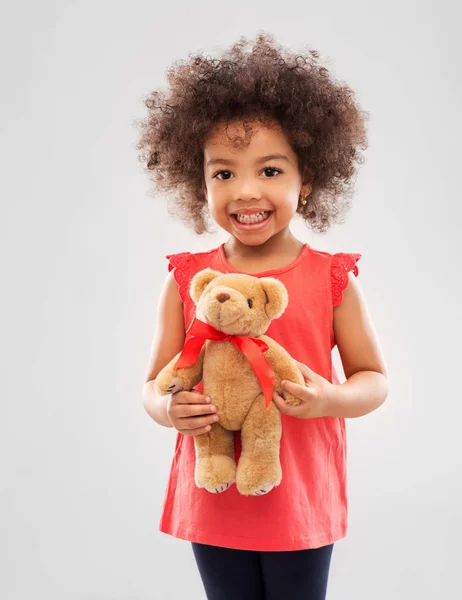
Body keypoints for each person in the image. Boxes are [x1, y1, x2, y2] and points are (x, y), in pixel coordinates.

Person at [137, 32, 389, 600]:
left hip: (298, 492)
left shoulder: (331, 279)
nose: (246, 190)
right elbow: (155, 382)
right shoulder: (188, 280)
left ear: (309, 180)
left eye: (270, 171)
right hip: (214, 487)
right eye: (224, 173)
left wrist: (330, 400)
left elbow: (374, 379)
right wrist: (166, 407)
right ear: (199, 182)